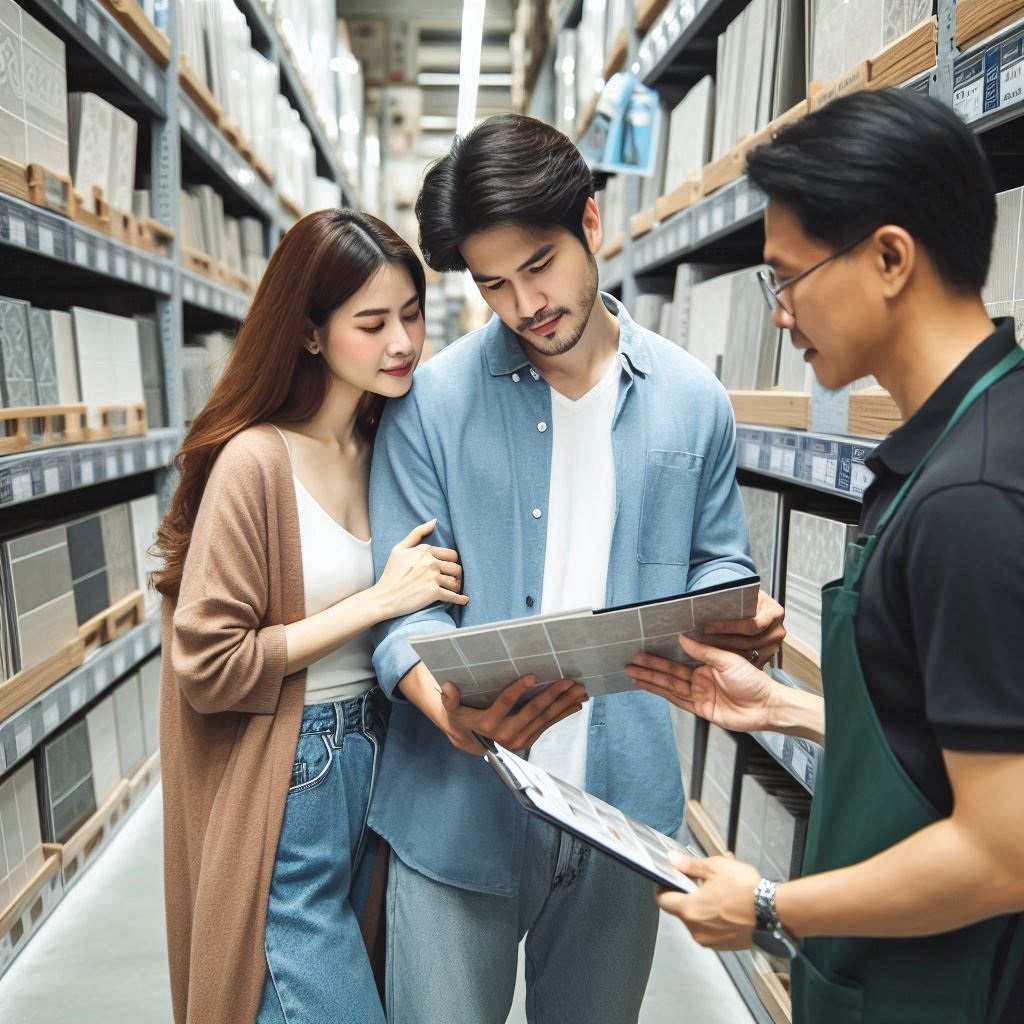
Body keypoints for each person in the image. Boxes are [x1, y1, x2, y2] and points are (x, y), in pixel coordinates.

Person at [367, 113, 786, 1023]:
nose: (525, 305)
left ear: (590, 224)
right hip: (454, 806)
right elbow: (400, 613)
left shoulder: (693, 401)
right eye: (494, 285)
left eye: (541, 264)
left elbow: (720, 556)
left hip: (619, 811)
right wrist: (450, 708)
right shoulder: (427, 408)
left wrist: (741, 613)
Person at [625, 89, 1024, 1022]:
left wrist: (768, 904)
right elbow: (965, 743)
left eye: (788, 277)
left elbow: (1005, 848)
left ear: (889, 257)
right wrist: (794, 711)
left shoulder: (971, 502)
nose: (779, 316)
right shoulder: (966, 442)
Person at [154, 209, 468, 1024]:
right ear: (311, 335)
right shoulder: (255, 461)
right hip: (299, 765)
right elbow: (209, 664)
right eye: (372, 322)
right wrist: (377, 600)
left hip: (386, 752)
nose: (402, 341)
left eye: (411, 313)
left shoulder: (389, 440)